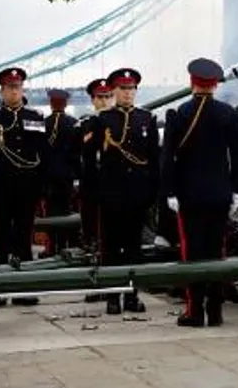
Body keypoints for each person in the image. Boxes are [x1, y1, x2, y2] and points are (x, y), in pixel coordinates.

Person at [162, 57, 238, 327]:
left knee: (192, 254)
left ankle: (194, 312)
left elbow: (167, 158)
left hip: (189, 196)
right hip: (219, 195)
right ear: (215, 85)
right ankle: (215, 312)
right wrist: (237, 191)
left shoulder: (179, 114)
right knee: (217, 252)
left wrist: (170, 192)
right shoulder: (229, 114)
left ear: (192, 82)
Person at [88, 67, 159, 315]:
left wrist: (153, 190)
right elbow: (89, 158)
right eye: (123, 89)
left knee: (133, 247)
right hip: (111, 192)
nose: (128, 93)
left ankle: (131, 295)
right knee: (110, 247)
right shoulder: (102, 120)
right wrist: (95, 189)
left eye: (131, 89)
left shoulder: (146, 119)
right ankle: (112, 296)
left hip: (138, 193)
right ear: (114, 91)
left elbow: (154, 158)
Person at [0, 67, 47, 309]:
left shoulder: (35, 117)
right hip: (1, 188)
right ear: (2, 90)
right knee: (0, 240)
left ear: (23, 89)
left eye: (17, 87)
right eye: (9, 87)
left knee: (24, 239)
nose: (14, 91)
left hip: (27, 187)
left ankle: (23, 288)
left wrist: (41, 187)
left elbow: (43, 153)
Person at [78, 78, 113, 303]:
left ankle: (115, 284)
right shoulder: (87, 124)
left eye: (108, 96)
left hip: (114, 190)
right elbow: (82, 153)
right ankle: (97, 283)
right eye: (100, 97)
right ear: (93, 100)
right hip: (92, 190)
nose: (105, 100)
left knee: (112, 240)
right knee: (93, 238)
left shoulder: (123, 121)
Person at [43, 88, 80, 251]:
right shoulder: (74, 123)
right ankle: (66, 245)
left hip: (47, 176)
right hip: (67, 176)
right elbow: (77, 152)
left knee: (50, 212)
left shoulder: (41, 124)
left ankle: (53, 247)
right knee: (66, 211)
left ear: (51, 103)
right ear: (65, 104)